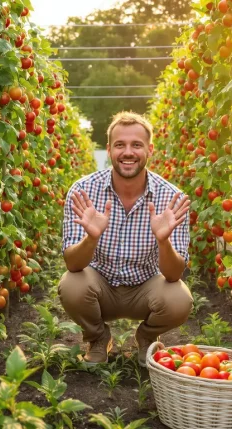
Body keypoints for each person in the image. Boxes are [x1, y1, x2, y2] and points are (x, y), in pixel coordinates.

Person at [58, 111, 193, 367]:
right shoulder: (83, 191)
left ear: (150, 150)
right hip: (99, 288)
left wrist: (163, 241)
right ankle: (98, 339)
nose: (128, 152)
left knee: (179, 298)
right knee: (71, 285)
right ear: (109, 150)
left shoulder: (171, 198)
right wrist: (91, 237)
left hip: (146, 287)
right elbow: (73, 265)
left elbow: (174, 275)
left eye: (136, 145)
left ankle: (147, 337)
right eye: (120, 145)